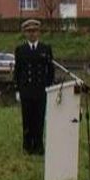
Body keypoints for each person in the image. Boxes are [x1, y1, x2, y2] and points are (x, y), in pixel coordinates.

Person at [14, 18, 55, 155]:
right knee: (27, 119)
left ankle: (38, 146)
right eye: (29, 31)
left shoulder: (45, 49)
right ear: (25, 33)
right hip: (26, 90)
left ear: (39, 33)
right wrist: (17, 89)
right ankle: (27, 146)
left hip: (40, 90)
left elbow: (50, 70)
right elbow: (18, 71)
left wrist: (49, 86)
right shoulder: (21, 50)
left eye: (35, 31)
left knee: (39, 119)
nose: (32, 34)